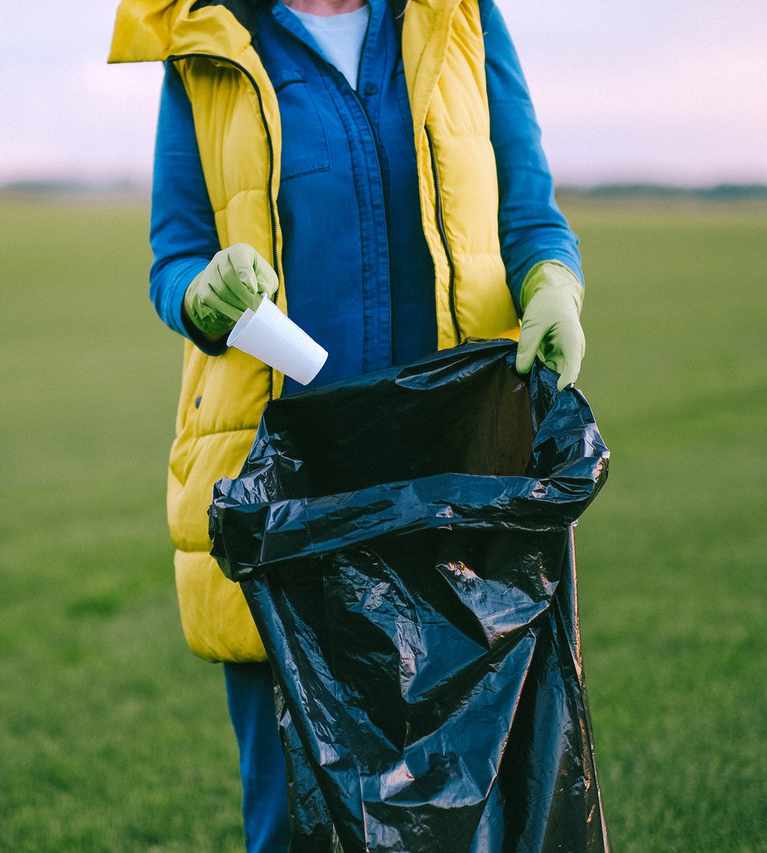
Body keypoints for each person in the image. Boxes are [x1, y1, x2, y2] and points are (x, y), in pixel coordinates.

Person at [109, 0, 586, 849]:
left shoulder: (462, 16)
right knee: (296, 818)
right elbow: (173, 254)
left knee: (471, 809)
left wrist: (553, 281)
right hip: (291, 490)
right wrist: (202, 290)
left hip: (453, 475)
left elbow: (527, 211)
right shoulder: (203, 39)